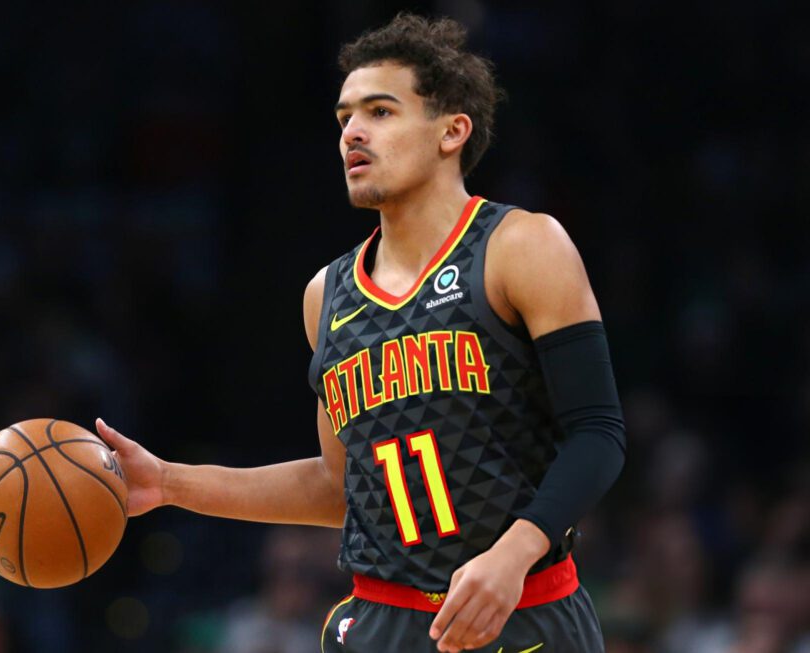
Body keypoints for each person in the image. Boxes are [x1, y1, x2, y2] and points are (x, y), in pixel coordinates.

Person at [96, 13, 625, 653]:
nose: (352, 132)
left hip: (521, 609)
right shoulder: (327, 296)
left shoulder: (520, 245)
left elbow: (598, 433)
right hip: (382, 623)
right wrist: (169, 483)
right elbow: (338, 487)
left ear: (452, 130)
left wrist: (516, 552)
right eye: (344, 117)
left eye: (380, 111)